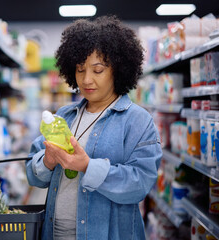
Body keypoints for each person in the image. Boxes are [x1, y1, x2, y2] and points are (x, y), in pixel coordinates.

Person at [26, 15, 162, 240]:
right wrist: (47, 162)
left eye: (97, 70)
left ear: (117, 70)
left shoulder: (138, 121)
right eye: (80, 70)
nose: (86, 80)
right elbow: (33, 175)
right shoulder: (64, 117)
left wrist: (88, 167)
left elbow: (140, 183)